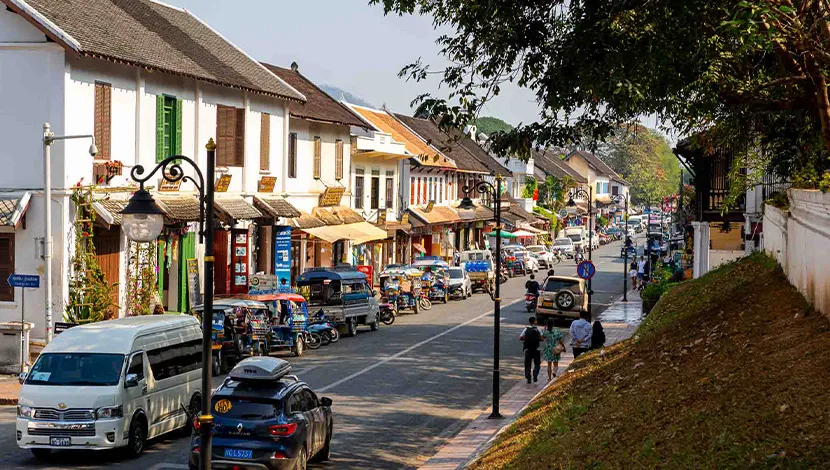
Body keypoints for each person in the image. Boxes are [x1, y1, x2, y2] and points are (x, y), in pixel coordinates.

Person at [519, 317, 542, 383]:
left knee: (527, 364)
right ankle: (535, 374)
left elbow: (520, 337)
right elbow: (542, 338)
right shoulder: (538, 329)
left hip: (528, 349)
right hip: (536, 349)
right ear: (535, 321)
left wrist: (525, 339)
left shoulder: (526, 329)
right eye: (536, 320)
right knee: (537, 363)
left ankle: (528, 376)